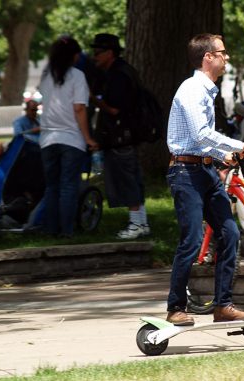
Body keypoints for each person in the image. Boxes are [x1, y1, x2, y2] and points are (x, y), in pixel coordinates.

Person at [165, 33, 244, 326]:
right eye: (222, 53)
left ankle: (223, 305)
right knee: (191, 241)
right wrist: (236, 146)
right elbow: (200, 135)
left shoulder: (207, 91)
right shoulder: (191, 89)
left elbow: (202, 144)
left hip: (205, 171)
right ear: (208, 58)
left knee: (230, 233)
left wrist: (222, 158)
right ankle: (175, 308)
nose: (226, 57)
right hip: (185, 173)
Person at [90, 33, 150, 240]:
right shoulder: (122, 72)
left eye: (98, 52)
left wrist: (93, 100)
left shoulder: (118, 75)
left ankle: (135, 224)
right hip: (126, 136)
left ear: (110, 53)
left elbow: (114, 109)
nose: (94, 56)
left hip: (121, 137)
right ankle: (141, 223)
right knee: (132, 179)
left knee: (127, 181)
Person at [38, 36, 98, 238]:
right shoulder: (77, 75)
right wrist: (88, 138)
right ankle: (67, 230)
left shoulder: (46, 76)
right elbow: (79, 108)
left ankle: (50, 229)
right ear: (74, 56)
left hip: (47, 139)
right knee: (68, 186)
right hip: (71, 138)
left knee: (51, 186)